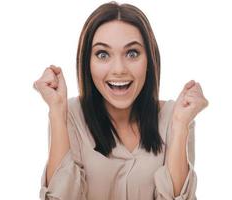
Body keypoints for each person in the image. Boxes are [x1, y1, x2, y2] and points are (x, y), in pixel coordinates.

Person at [33, 2, 208, 200]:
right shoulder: (70, 114)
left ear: (149, 59)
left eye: (132, 53)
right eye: (103, 54)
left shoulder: (175, 116)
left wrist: (180, 126)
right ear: (87, 62)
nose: (119, 69)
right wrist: (57, 111)